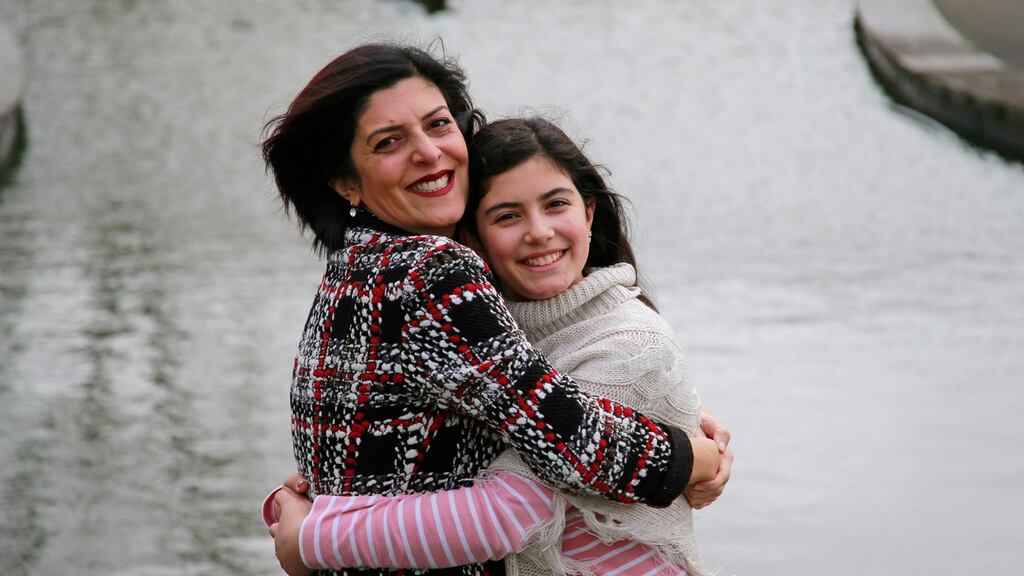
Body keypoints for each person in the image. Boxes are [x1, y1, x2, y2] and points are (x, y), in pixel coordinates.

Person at [260, 43, 730, 576]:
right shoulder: (431, 271)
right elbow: (572, 442)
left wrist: (676, 408)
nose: (429, 152)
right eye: (389, 142)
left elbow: (509, 394)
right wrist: (695, 456)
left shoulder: (354, 271)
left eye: (438, 124)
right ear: (345, 182)